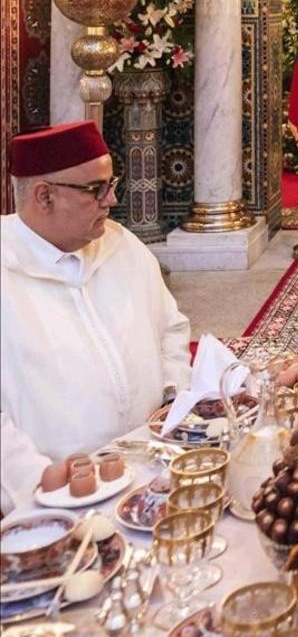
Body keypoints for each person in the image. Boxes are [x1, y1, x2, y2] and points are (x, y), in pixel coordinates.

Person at [1, 122, 192, 514]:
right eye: (96, 189)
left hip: (154, 467)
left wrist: (174, 396)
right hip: (62, 500)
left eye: (111, 183)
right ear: (44, 196)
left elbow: (171, 329)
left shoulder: (122, 245)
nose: (112, 199)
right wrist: (42, 486)